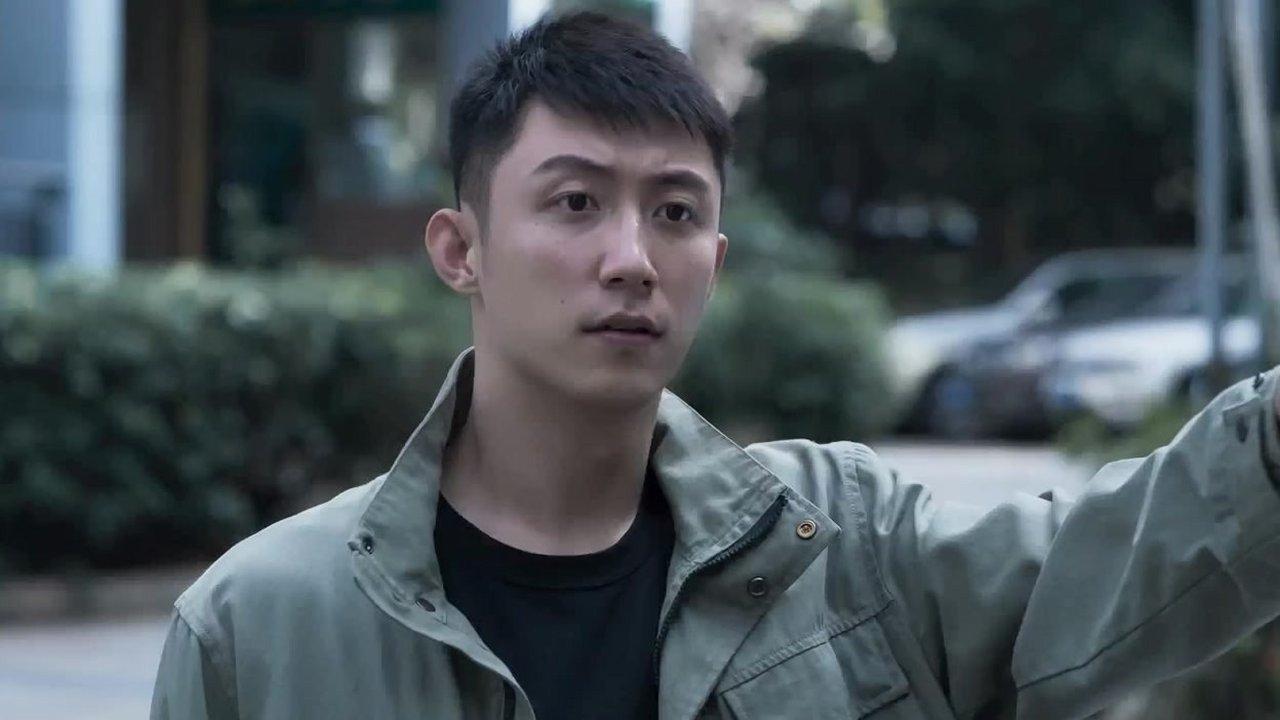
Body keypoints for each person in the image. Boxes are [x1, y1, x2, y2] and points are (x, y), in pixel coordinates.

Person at [150, 11, 1280, 720]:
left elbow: (1126, 556)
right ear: (461, 250)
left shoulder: (839, 547)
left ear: (716, 261)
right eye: (575, 203)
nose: (631, 259)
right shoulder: (262, 625)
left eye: (676, 212)